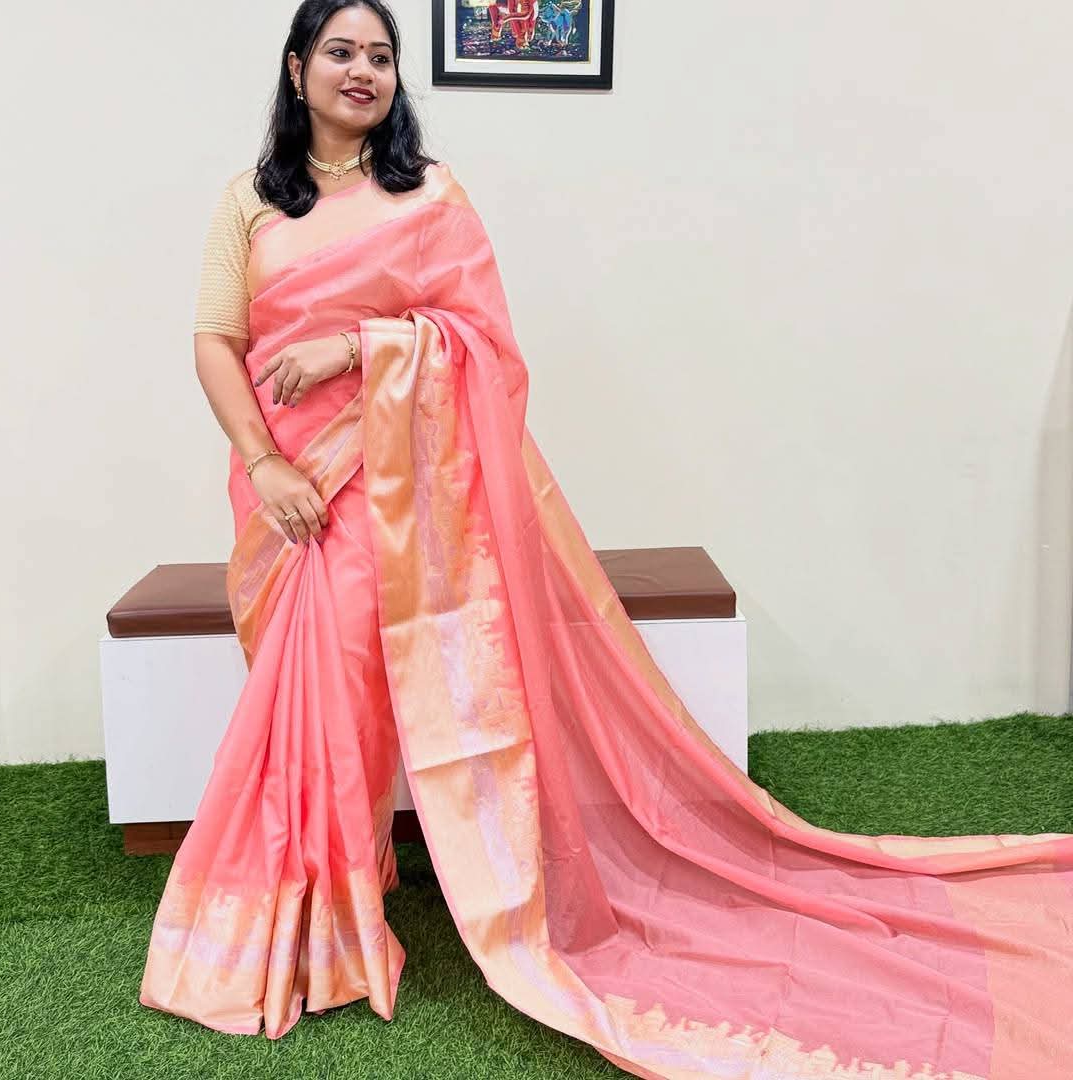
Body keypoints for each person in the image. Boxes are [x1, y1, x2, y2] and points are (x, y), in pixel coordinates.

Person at [139, 2, 1073, 1076]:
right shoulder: (249, 202)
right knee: (304, 699)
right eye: (341, 52)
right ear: (297, 67)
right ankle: (302, 914)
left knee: (346, 698)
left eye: (382, 56)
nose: (363, 72)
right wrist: (265, 461)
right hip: (289, 488)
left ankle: (339, 933)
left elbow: (485, 346)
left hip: (399, 495)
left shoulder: (429, 197)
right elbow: (216, 339)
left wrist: (359, 346)